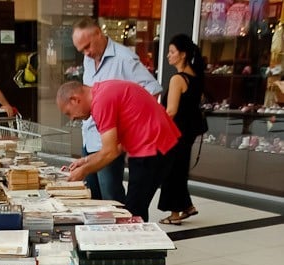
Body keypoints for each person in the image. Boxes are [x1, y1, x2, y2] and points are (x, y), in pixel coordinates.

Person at [57, 80, 180, 221]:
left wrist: (83, 171)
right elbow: (115, 147)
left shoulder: (101, 102)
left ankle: (135, 239)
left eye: (68, 113)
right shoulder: (102, 92)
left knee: (134, 210)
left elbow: (110, 152)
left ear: (75, 99)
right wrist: (86, 160)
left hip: (154, 147)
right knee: (135, 206)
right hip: (152, 145)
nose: (72, 119)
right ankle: (135, 237)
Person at [72, 17, 162, 204]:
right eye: (82, 50)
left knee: (111, 199)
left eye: (88, 46)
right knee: (91, 197)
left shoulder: (124, 58)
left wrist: (131, 135)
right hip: (89, 137)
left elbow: (152, 92)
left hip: (110, 142)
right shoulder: (89, 60)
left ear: (98, 33)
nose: (86, 53)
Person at [158, 34, 206, 225]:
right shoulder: (196, 77)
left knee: (171, 171)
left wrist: (154, 126)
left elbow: (171, 111)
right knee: (180, 169)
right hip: (189, 131)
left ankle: (175, 213)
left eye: (171, 52)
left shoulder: (177, 79)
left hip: (175, 132)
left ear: (183, 54)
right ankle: (187, 206)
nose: (168, 56)